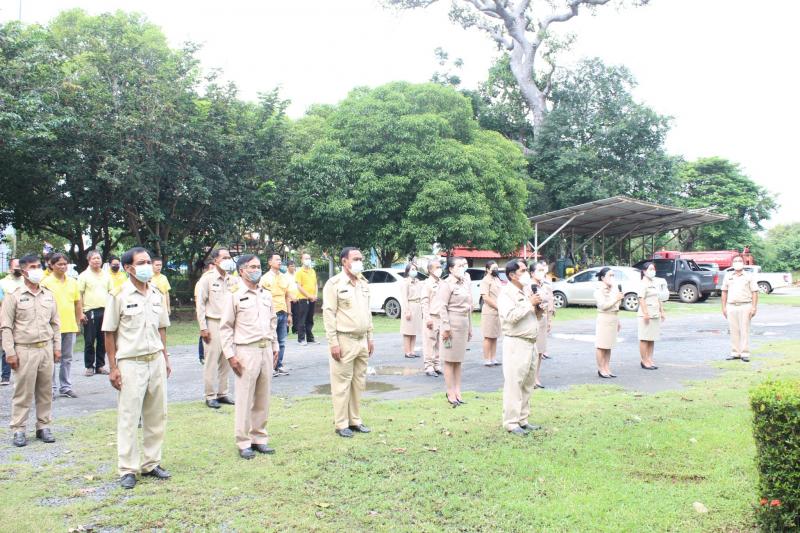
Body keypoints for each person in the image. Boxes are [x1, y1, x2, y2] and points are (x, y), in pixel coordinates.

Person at [102, 247, 171, 489]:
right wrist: (113, 367)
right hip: (131, 362)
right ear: (128, 268)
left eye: (149, 262)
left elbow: (162, 328)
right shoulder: (119, 295)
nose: (147, 266)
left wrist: (165, 357)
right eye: (141, 263)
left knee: (157, 414)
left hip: (155, 359)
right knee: (129, 417)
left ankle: (151, 463)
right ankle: (128, 468)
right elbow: (109, 332)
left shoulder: (156, 293)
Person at [220, 255, 280, 459]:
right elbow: (226, 328)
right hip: (246, 351)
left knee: (263, 398)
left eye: (258, 266)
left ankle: (259, 437)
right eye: (252, 267)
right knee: (244, 398)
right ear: (242, 271)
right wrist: (230, 355)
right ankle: (243, 441)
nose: (256, 270)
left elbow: (272, 322)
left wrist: (275, 345)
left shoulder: (266, 294)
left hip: (265, 349)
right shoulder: (234, 295)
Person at [1, 254, 61, 447]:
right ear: (24, 271)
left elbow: (55, 323)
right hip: (24, 350)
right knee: (23, 392)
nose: (37, 270)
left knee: (45, 391)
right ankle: (18, 429)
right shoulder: (14, 295)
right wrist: (10, 352)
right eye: (33, 267)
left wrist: (57, 347)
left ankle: (43, 426)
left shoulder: (48, 294)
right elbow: (6, 326)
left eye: (39, 266)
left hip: (46, 348)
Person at [322, 247, 374, 438]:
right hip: (344, 340)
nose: (360, 262)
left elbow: (367, 312)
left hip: (362, 340)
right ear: (344, 261)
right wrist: (333, 343)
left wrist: (370, 337)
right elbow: (329, 314)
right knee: (341, 384)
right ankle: (341, 423)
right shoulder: (334, 284)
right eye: (355, 259)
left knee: (358, 382)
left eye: (361, 259)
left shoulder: (363, 283)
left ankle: (355, 420)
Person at [498, 259, 543, 436]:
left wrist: (538, 309)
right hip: (516, 343)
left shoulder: (525, 290)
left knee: (528, 383)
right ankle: (511, 422)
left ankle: (523, 419)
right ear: (512, 275)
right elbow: (510, 316)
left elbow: (531, 316)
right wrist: (529, 303)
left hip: (530, 342)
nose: (526, 273)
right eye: (522, 271)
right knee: (514, 383)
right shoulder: (506, 293)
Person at [195, 248, 238, 409]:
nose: (228, 260)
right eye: (224, 257)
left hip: (230, 325)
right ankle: (210, 395)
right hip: (213, 323)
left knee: (227, 360)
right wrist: (203, 327)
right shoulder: (207, 279)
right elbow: (200, 304)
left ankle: (222, 393)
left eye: (229, 257)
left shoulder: (233, 280)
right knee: (211, 362)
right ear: (215, 260)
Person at [42, 253, 83, 399]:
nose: (63, 266)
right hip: (51, 327)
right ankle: (50, 388)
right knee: (51, 359)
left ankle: (65, 387)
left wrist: (78, 322)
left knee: (67, 358)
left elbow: (78, 303)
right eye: (59, 264)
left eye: (65, 264)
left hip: (69, 325)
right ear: (52, 265)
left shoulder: (73, 282)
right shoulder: (45, 283)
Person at [439, 256, 473, 407]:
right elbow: (442, 307)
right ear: (451, 269)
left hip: (463, 323)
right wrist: (446, 328)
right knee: (449, 360)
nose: (462, 268)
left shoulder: (465, 283)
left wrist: (470, 327)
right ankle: (450, 392)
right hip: (451, 324)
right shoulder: (447, 284)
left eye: (463, 265)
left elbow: (468, 307)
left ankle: (458, 391)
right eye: (459, 266)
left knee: (458, 360)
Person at [78, 250, 112, 376]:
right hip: (90, 311)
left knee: (103, 339)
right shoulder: (84, 276)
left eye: (98, 258)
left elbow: (111, 292)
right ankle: (89, 366)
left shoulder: (106, 275)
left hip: (105, 311)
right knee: (89, 340)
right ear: (89, 261)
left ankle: (100, 366)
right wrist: (80, 313)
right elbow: (79, 295)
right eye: (94, 258)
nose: (97, 260)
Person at [721, 254, 759, 362]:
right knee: (733, 330)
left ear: (743, 263)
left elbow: (755, 292)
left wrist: (754, 307)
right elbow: (724, 292)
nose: (737, 262)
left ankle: (744, 353)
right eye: (735, 261)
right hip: (731, 306)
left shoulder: (749, 276)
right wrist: (724, 307)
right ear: (732, 264)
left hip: (745, 306)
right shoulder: (728, 276)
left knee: (744, 330)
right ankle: (735, 353)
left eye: (739, 261)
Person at [260, 253, 292, 377]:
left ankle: (279, 365)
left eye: (280, 260)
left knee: (282, 340)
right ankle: (270, 366)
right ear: (270, 262)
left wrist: (289, 314)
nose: (279, 262)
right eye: (277, 259)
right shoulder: (264, 278)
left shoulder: (284, 278)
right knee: (270, 340)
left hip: (283, 311)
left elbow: (287, 296)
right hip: (270, 313)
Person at [594, 267, 623, 378]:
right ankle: (601, 369)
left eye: (613, 275)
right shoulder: (599, 289)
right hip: (604, 318)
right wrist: (616, 299)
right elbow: (603, 305)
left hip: (613, 318)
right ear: (602, 278)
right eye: (610, 275)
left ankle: (607, 367)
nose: (612, 277)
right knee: (602, 345)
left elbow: (616, 306)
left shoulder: (614, 288)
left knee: (609, 345)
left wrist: (618, 320)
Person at [0, 258, 24, 386]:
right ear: (10, 268)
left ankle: (22, 374)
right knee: (7, 346)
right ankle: (5, 375)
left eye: (21, 266)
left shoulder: (26, 281)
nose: (19, 268)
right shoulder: (3, 283)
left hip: (23, 318)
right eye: (16, 266)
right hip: (7, 317)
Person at [637, 262, 665, 370]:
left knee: (651, 338)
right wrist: (645, 313)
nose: (652, 271)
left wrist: (662, 311)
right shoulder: (642, 283)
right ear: (644, 271)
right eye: (650, 269)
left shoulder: (654, 282)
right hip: (646, 315)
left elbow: (658, 298)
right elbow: (641, 299)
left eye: (653, 269)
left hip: (655, 314)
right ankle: (644, 360)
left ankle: (649, 359)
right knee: (644, 338)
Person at [532, 260, 555, 388]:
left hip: (543, 319)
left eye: (542, 270)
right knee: (533, 351)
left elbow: (549, 303)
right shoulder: (527, 286)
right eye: (539, 270)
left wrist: (549, 320)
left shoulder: (545, 285)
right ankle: (530, 378)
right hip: (532, 320)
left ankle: (536, 377)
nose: (542, 272)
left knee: (540, 350)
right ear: (532, 273)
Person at [421, 261, 444, 377]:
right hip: (432, 316)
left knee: (439, 343)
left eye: (440, 267)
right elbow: (424, 302)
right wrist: (427, 318)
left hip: (442, 317)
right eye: (437, 267)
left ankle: (437, 364)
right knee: (429, 342)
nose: (440, 269)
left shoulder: (442, 283)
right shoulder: (427, 284)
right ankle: (429, 366)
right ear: (430, 270)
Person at [480, 261, 502, 367]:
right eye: (493, 268)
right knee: (488, 336)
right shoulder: (485, 280)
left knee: (495, 336)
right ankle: (487, 359)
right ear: (488, 270)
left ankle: (493, 358)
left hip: (498, 312)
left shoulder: (497, 279)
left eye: (497, 268)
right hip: (489, 312)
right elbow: (485, 297)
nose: (496, 270)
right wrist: (498, 306)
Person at [399, 262, 423, 359]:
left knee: (414, 330)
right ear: (408, 271)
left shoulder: (417, 281)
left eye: (415, 269)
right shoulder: (405, 282)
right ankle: (407, 352)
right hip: (410, 306)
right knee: (407, 331)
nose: (414, 271)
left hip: (417, 307)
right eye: (412, 269)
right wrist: (407, 311)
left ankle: (412, 351)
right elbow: (404, 298)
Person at [295, 253, 318, 345]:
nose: (308, 260)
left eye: (309, 258)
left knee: (310, 319)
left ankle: (310, 338)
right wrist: (309, 296)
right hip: (303, 299)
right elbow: (299, 286)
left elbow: (315, 284)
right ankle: (301, 339)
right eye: (306, 258)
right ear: (302, 260)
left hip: (312, 299)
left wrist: (315, 295)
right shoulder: (299, 272)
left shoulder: (312, 271)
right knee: (302, 319)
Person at [286, 260, 299, 335]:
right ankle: (286, 330)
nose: (293, 267)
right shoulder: (284, 276)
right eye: (291, 266)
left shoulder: (297, 275)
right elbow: (285, 289)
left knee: (297, 314)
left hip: (297, 298)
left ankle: (296, 330)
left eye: (294, 266)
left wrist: (296, 297)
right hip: (288, 298)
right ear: (287, 267)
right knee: (287, 314)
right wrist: (291, 297)